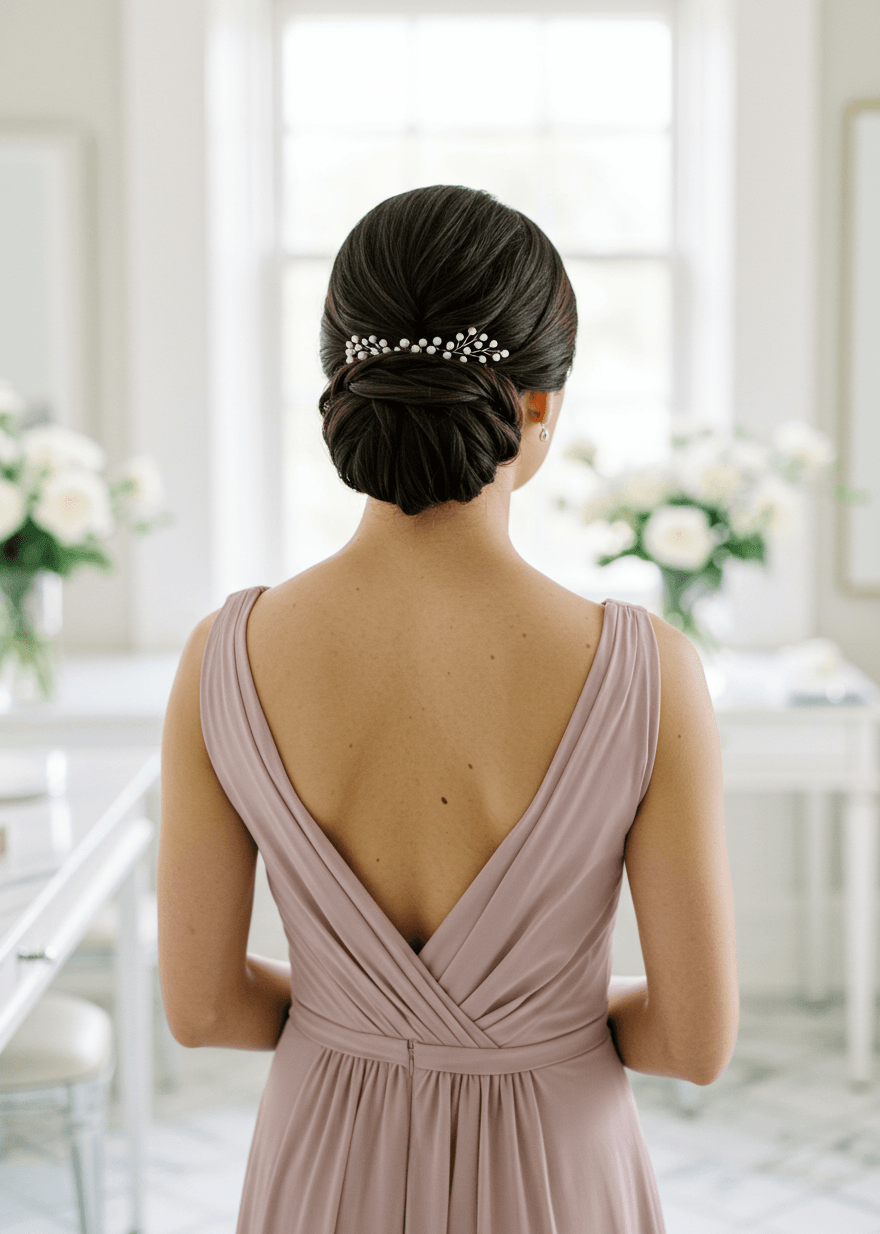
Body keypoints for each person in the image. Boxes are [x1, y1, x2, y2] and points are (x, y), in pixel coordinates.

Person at [158, 183, 739, 1232]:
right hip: (556, 1164)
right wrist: (540, 1029)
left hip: (323, 1158)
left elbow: (201, 1010)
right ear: (539, 403)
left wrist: (351, 1017)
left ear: (341, 381)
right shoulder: (650, 670)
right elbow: (693, 1043)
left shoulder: (222, 655)